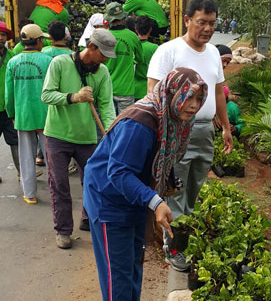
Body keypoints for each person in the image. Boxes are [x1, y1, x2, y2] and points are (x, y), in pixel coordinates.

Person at [84, 67, 207, 301]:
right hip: (109, 201)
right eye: (188, 95)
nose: (193, 104)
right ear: (172, 92)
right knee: (117, 279)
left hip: (134, 199)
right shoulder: (141, 122)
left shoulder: (171, 118)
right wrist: (155, 201)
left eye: (199, 98)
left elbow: (159, 159)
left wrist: (167, 184)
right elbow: (119, 173)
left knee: (133, 268)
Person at [147, 0, 233, 271]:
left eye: (212, 23)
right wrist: (164, 133)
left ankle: (184, 235)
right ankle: (173, 247)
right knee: (175, 187)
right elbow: (154, 93)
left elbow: (218, 91)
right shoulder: (168, 51)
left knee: (195, 187)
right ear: (187, 20)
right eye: (201, 22)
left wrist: (226, 128)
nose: (207, 29)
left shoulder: (212, 55)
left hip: (204, 131)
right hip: (177, 131)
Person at [41, 28, 117, 249]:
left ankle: (88, 219)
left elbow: (106, 105)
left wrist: (110, 132)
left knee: (93, 183)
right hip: (57, 135)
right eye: (102, 54)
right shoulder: (60, 64)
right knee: (60, 185)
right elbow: (46, 94)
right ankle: (63, 230)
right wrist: (74, 97)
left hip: (86, 138)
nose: (105, 60)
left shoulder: (102, 73)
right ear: (90, 47)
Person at [5, 24, 52, 204]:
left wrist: (12, 114)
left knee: (26, 157)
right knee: (50, 156)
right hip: (45, 115)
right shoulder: (47, 61)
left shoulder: (13, 62)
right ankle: (55, 189)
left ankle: (30, 194)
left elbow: (9, 94)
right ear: (39, 41)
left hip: (23, 115)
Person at [103, 2, 144, 114]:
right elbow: (140, 59)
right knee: (124, 124)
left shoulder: (104, 36)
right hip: (125, 90)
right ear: (123, 18)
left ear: (110, 19)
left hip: (107, 89)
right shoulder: (132, 36)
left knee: (108, 124)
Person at [0, 21, 20, 183]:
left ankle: (22, 173)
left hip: (8, 107)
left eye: (3, 35)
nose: (0, 38)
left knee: (14, 140)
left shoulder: (13, 57)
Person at [134, 16, 158, 101]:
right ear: (150, 29)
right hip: (149, 90)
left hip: (132, 90)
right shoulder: (155, 48)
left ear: (136, 29)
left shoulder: (132, 46)